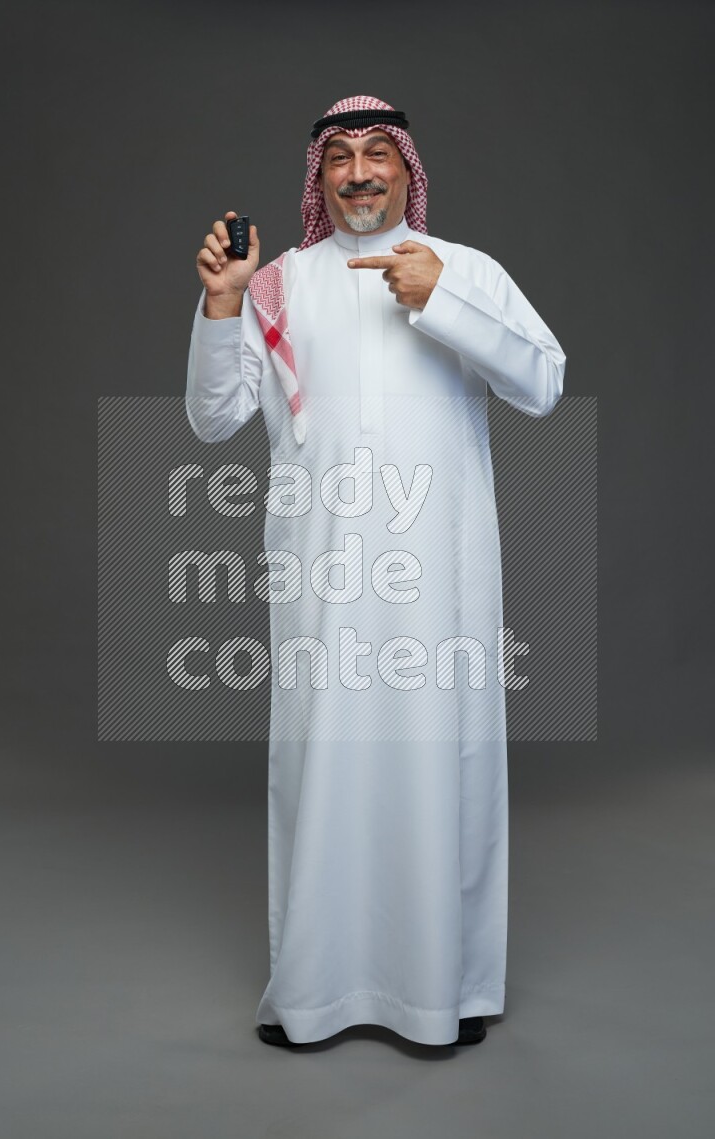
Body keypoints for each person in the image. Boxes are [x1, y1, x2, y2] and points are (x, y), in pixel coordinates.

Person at [186, 95, 566, 1048]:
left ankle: (446, 991)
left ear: (407, 168)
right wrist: (221, 302)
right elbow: (213, 418)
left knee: (444, 769)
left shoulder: (465, 270)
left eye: (377, 154)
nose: (359, 172)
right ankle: (314, 992)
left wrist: (440, 298)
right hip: (321, 581)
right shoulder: (276, 284)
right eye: (339, 158)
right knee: (324, 773)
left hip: (441, 581)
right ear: (318, 179)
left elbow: (543, 383)